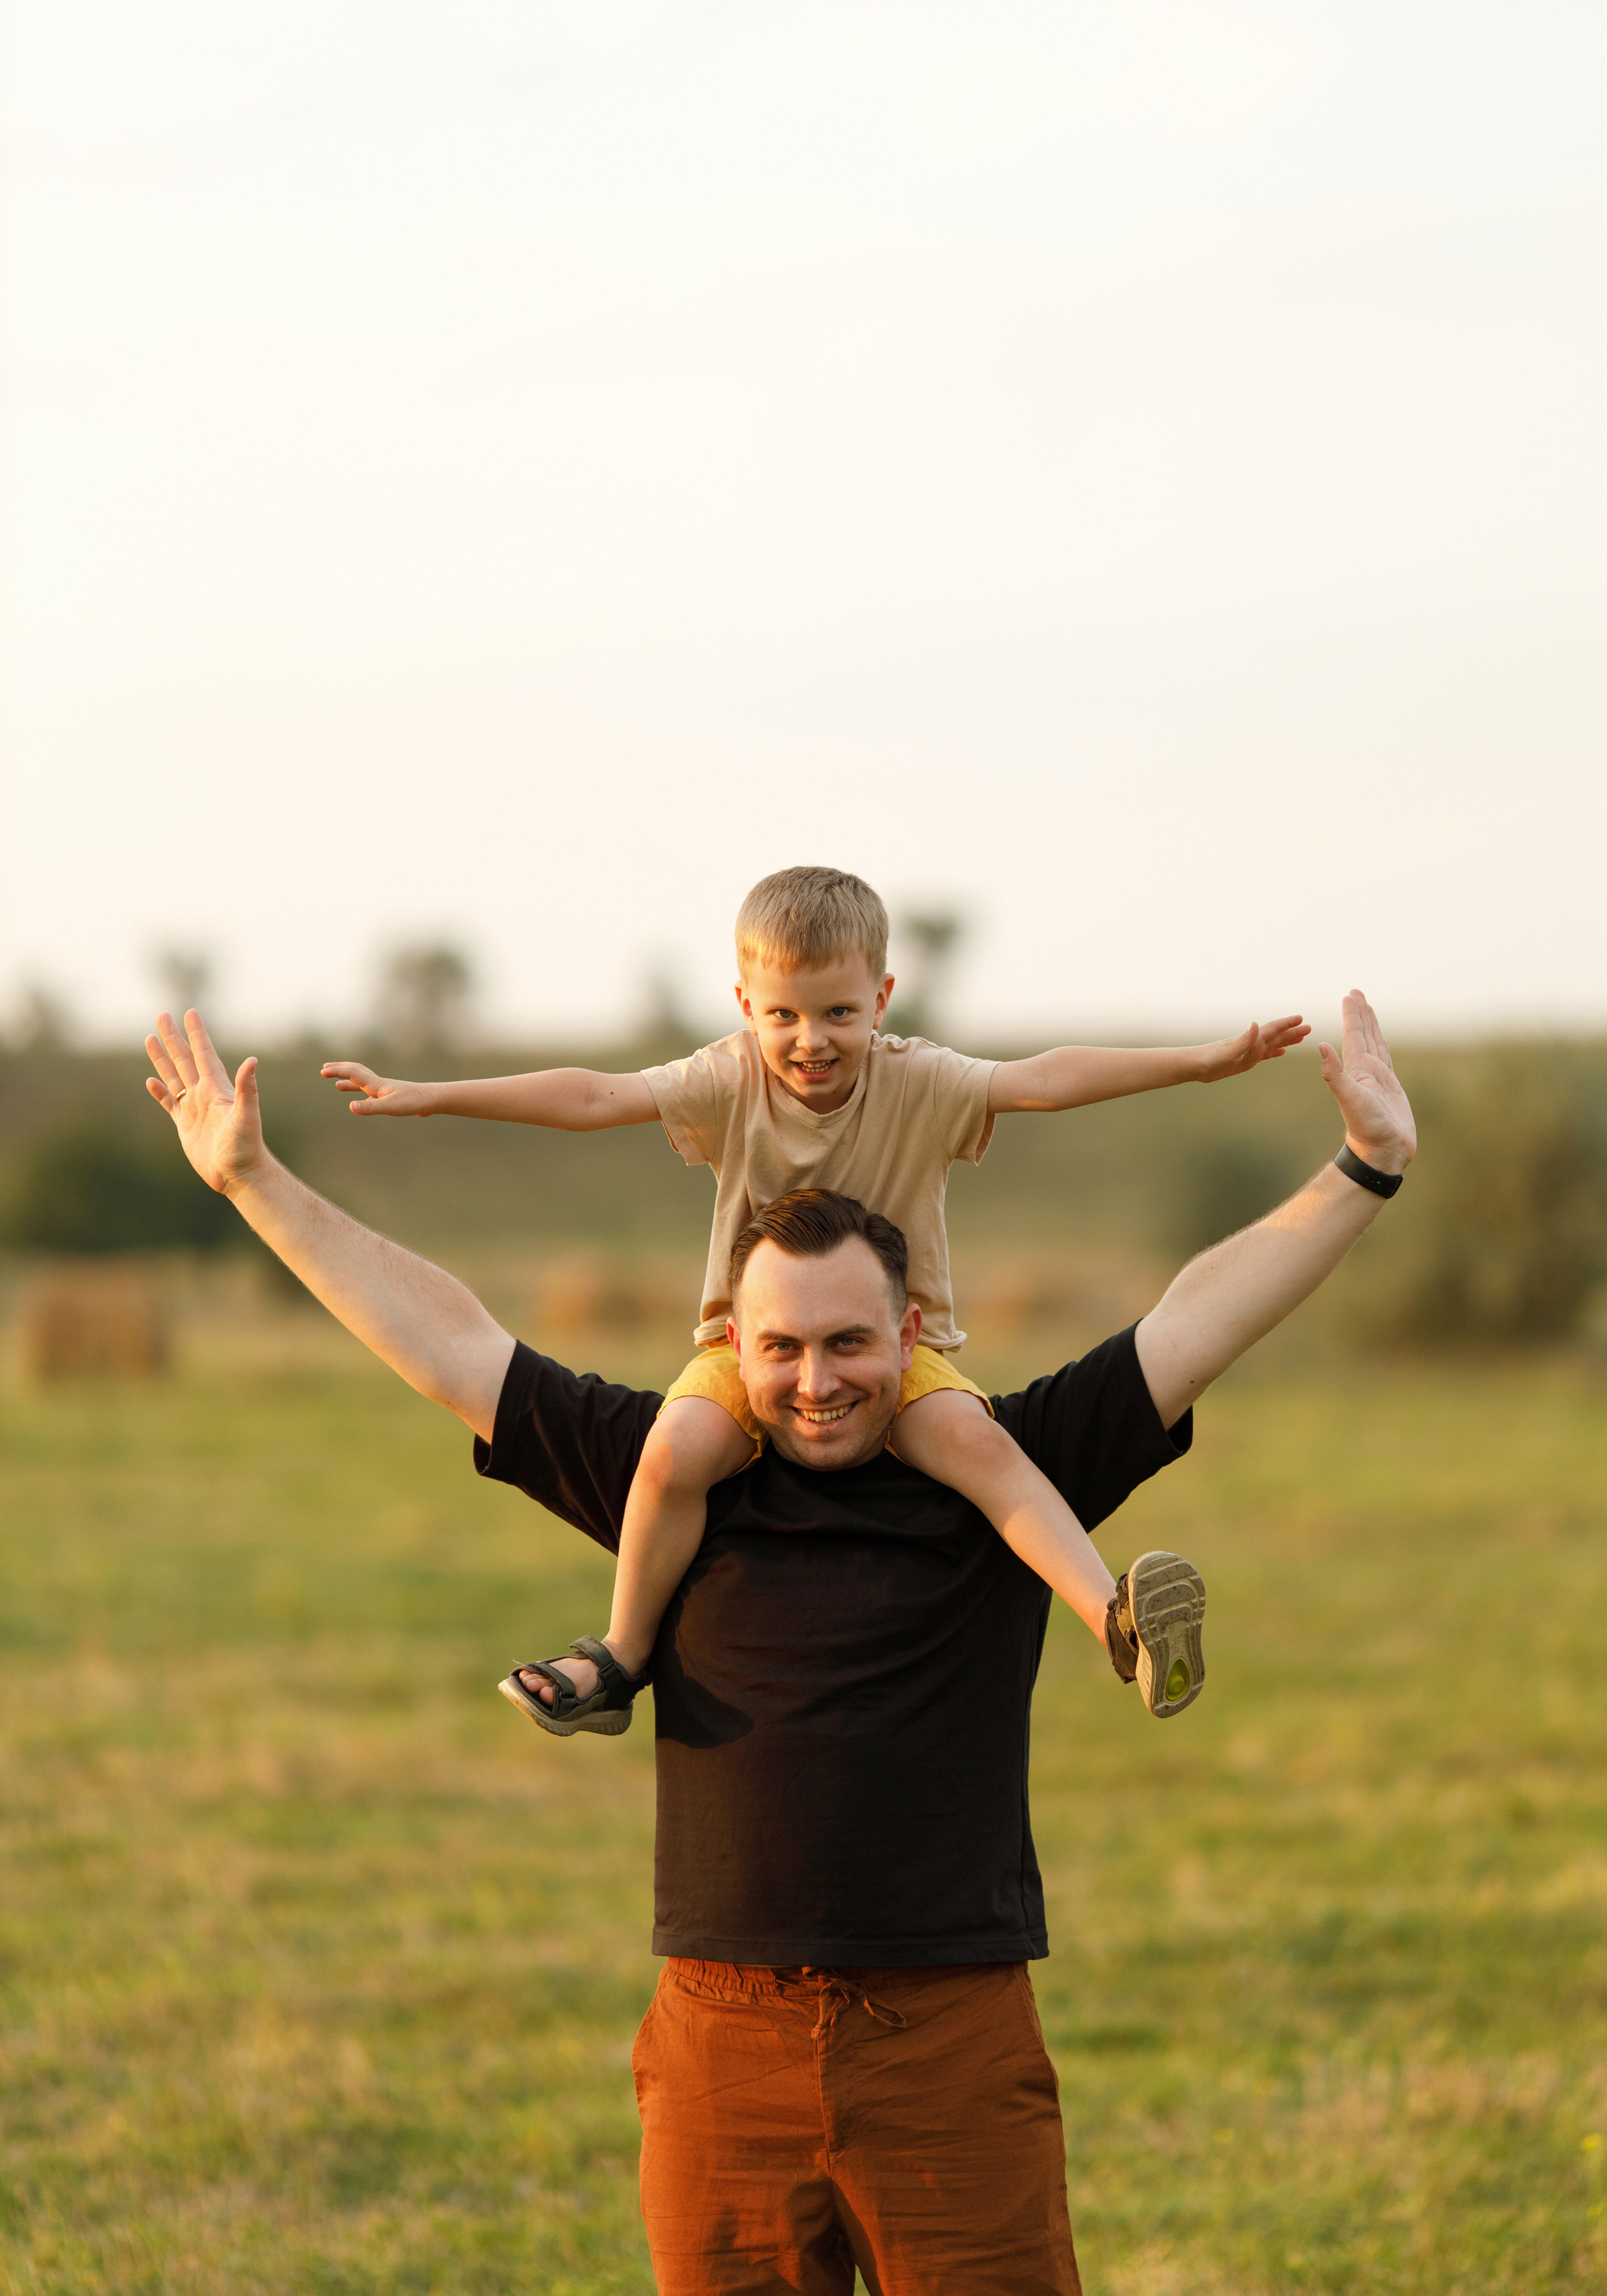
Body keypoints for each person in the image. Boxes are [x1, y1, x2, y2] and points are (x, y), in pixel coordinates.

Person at [143, 990, 1415, 2296]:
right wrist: (253, 1182)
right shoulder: (673, 1472)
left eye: (851, 1343)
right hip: (718, 2044)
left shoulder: (994, 1468)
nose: (817, 1381)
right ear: (732, 1346)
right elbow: (450, 1342)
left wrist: (1362, 1168)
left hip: (947, 2041)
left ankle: (1121, 1635)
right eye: (782, 1348)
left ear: (910, 1332)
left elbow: (1197, 1317)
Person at [314, 865, 1310, 1730]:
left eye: (838, 1013)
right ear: (744, 1004)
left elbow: (1044, 1078)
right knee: (667, 1456)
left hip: (897, 1354)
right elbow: (593, 1097)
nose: (810, 1040)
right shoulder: (727, 1078)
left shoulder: (921, 1081)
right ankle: (621, 1656)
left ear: (881, 998)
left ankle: (1118, 1625)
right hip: (753, 1352)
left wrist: (1204, 1062)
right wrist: (430, 1093)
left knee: (987, 1455)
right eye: (783, 1014)